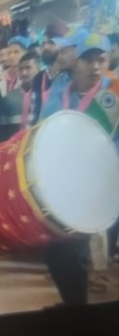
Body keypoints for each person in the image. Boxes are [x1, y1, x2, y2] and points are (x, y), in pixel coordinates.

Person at [40, 32, 112, 307]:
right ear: (75, 62)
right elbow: (41, 133)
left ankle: (76, 309)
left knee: (74, 251)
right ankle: (72, 303)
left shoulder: (113, 96)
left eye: (101, 60)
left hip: (91, 187)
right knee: (53, 252)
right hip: (56, 185)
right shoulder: (59, 94)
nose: (95, 67)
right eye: (88, 60)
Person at [0, 37, 29, 149]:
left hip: (23, 137)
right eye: (9, 52)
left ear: (26, 53)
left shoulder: (29, 80)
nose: (11, 56)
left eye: (16, 52)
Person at [0, 51, 40, 146]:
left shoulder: (46, 96)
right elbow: (1, 134)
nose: (24, 73)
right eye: (21, 69)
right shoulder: (8, 99)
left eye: (28, 68)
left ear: (38, 69)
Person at [31, 22, 69, 122]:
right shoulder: (39, 78)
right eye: (43, 43)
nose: (46, 47)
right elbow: (36, 112)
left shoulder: (70, 76)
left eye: (52, 43)